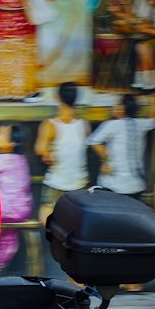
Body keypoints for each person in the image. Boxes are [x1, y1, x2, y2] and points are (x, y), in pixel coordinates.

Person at [35, 82, 89, 222]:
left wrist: (48, 153)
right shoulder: (84, 125)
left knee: (46, 218)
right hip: (80, 183)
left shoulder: (50, 125)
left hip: (57, 183)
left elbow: (40, 149)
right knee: (75, 223)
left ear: (57, 97)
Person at [87, 94, 155, 198]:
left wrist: (105, 161)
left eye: (117, 104)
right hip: (137, 187)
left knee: (99, 183)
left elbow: (93, 141)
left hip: (115, 188)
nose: (114, 107)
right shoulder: (141, 124)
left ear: (122, 108)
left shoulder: (113, 124)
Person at [0, 124, 33, 271]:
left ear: (12, 143)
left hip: (7, 209)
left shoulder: (3, 159)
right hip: (22, 209)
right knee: (8, 235)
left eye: (1, 134)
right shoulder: (20, 159)